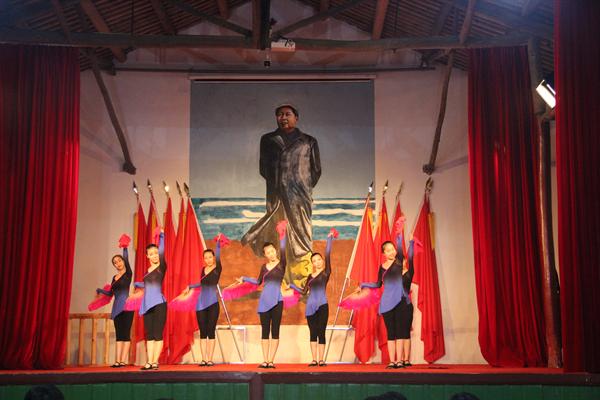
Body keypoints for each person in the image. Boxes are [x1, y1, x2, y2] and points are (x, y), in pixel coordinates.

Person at [242, 104, 321, 262]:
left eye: (287, 114)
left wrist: (302, 186)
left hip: (300, 194)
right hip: (276, 193)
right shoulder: (268, 140)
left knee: (301, 228)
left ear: (296, 118)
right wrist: (278, 183)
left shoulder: (308, 141)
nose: (283, 117)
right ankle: (279, 264)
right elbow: (263, 168)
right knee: (278, 227)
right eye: (280, 115)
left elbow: (316, 170)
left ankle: (302, 262)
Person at [361, 234, 415, 368]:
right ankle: (392, 361)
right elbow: (378, 284)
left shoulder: (399, 262)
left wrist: (406, 240)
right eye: (388, 250)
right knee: (391, 333)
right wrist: (363, 285)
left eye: (393, 249)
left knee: (401, 332)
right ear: (384, 253)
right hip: (387, 303)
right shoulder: (382, 267)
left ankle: (400, 360)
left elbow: (408, 255)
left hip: (401, 302)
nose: (391, 252)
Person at [237, 224, 287, 368]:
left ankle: (271, 360)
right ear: (265, 255)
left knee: (275, 331)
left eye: (272, 251)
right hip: (264, 301)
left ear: (276, 251)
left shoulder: (282, 264)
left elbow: (284, 248)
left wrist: (282, 234)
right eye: (268, 252)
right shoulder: (264, 267)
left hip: (277, 301)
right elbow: (258, 282)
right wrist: (244, 278)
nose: (271, 254)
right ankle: (265, 360)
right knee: (265, 331)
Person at [290, 230, 335, 366]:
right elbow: (304, 292)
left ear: (322, 261)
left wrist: (329, 239)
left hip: (322, 305)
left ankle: (321, 360)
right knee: (313, 333)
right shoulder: (310, 276)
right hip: (310, 307)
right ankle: (314, 359)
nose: (317, 262)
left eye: (319, 260)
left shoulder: (326, 273)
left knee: (321, 332)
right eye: (314, 261)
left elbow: (328, 254)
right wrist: (292, 285)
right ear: (312, 264)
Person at [183, 236, 224, 367]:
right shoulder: (203, 270)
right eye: (206, 258)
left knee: (211, 331)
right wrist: (190, 286)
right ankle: (204, 359)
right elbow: (201, 284)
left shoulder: (217, 269)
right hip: (200, 304)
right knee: (203, 332)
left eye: (210, 257)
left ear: (214, 258)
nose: (208, 259)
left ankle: (209, 359)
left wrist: (218, 244)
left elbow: (219, 256)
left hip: (213, 304)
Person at [95, 239, 134, 367]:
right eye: (115, 263)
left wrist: (125, 247)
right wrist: (100, 290)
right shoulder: (114, 278)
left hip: (127, 307)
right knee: (119, 335)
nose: (118, 263)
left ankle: (123, 361)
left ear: (123, 261)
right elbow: (110, 293)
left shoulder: (128, 274)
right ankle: (117, 361)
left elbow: (127, 259)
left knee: (126, 334)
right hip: (117, 308)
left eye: (119, 261)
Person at [134, 231, 167, 370]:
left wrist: (162, 236)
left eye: (156, 253)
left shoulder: (161, 267)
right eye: (151, 254)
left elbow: (162, 252)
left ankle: (154, 362)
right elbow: (148, 285)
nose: (154, 255)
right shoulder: (147, 270)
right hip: (147, 305)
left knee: (158, 334)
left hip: (159, 304)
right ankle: (149, 361)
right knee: (150, 334)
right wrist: (138, 284)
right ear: (147, 256)